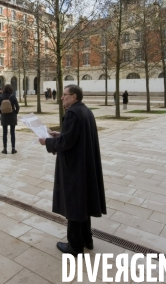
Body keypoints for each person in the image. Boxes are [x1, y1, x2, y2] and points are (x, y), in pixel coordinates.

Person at [38, 84, 106, 256]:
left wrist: (47, 142)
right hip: (84, 164)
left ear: (74, 97)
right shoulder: (85, 111)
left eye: (65, 95)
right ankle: (87, 239)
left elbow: (66, 143)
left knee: (74, 204)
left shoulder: (72, 114)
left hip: (74, 167)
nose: (62, 98)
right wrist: (59, 134)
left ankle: (75, 245)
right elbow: (74, 136)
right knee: (83, 203)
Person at [0, 84, 19, 154]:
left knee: (4, 133)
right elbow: (17, 106)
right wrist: (15, 112)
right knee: (12, 133)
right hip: (12, 116)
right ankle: (13, 149)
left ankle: (5, 149)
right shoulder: (13, 97)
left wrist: (1, 112)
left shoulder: (1, 97)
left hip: (4, 116)